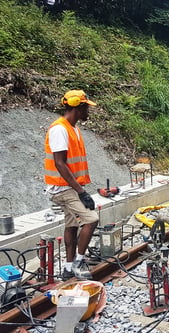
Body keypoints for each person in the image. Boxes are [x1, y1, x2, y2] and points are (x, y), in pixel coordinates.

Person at [44, 90, 98, 280]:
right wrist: (81, 192)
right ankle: (78, 262)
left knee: (72, 224)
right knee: (91, 219)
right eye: (86, 107)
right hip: (63, 188)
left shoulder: (73, 128)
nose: (88, 112)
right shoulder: (60, 129)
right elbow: (60, 163)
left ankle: (68, 268)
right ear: (78, 107)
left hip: (70, 187)